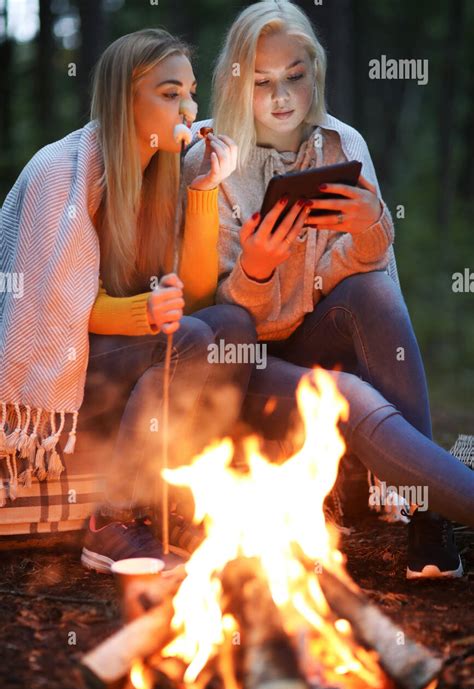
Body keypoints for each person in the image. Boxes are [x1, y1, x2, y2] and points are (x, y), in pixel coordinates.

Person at [184, 0, 474, 579]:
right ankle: (453, 496)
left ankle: (427, 519)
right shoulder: (208, 163)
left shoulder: (344, 145)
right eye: (262, 81)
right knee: (349, 395)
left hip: (319, 334)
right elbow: (219, 323)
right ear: (237, 82)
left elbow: (365, 272)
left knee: (374, 291)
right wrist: (259, 270)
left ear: (315, 71)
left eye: (295, 76)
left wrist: (372, 228)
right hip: (244, 368)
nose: (281, 96)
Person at [0, 29, 257, 571]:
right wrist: (144, 315)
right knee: (187, 339)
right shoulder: (62, 173)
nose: (188, 108)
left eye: (190, 93)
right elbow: (53, 308)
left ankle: (185, 501)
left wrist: (207, 190)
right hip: (60, 375)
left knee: (232, 325)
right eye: (169, 94)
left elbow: (197, 296)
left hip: (118, 365)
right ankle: (111, 521)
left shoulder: (162, 170)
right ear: (124, 100)